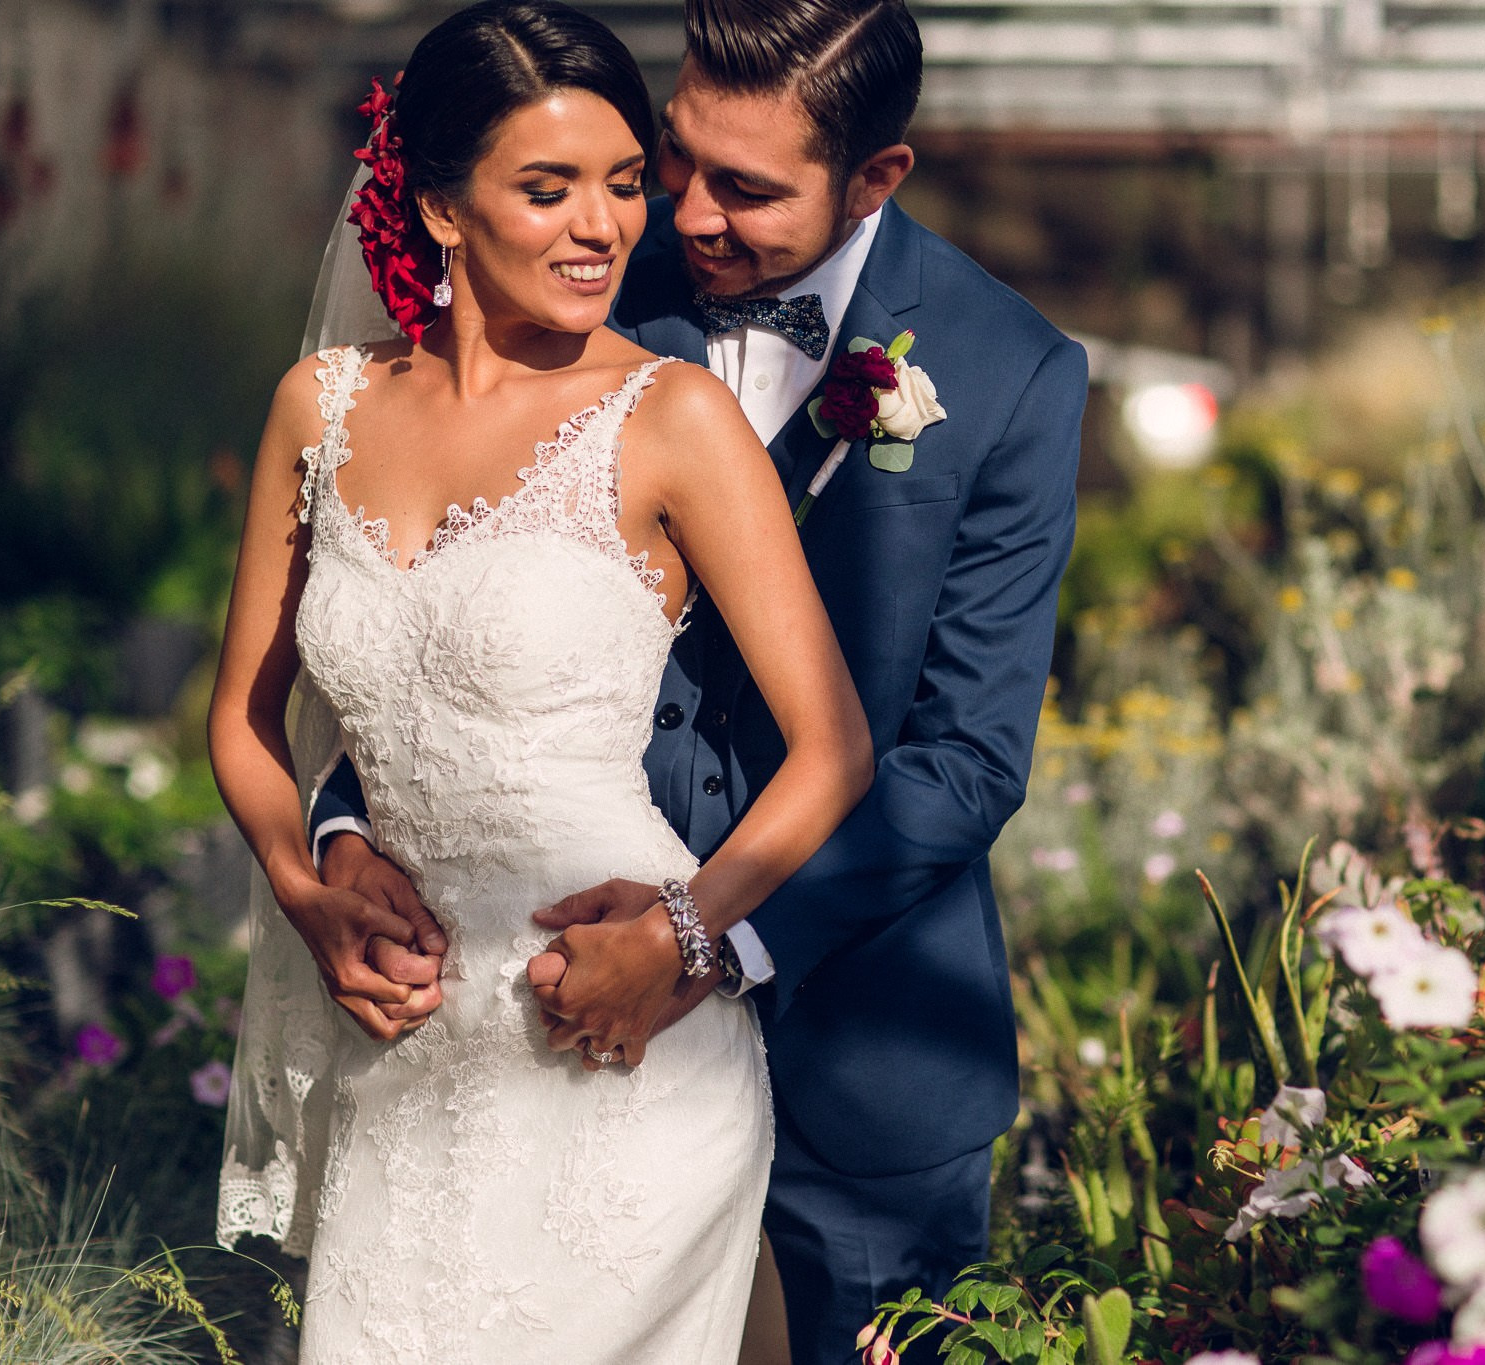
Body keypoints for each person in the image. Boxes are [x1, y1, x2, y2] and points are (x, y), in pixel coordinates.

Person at [310, 0, 1089, 1357]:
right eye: (676, 158)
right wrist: (343, 825)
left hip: (863, 1038)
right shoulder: (583, 265)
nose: (685, 211)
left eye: (748, 188)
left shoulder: (1010, 372)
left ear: (875, 181)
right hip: (536, 1028)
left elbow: (964, 760)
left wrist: (704, 936)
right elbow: (422, 577)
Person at [206, 3, 872, 1361]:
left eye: (626, 183)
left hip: (613, 1057)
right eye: (548, 187)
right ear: (445, 210)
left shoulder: (672, 418)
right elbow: (243, 716)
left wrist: (689, 933)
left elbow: (834, 746)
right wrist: (309, 891)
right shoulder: (317, 406)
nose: (604, 227)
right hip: (400, 1060)